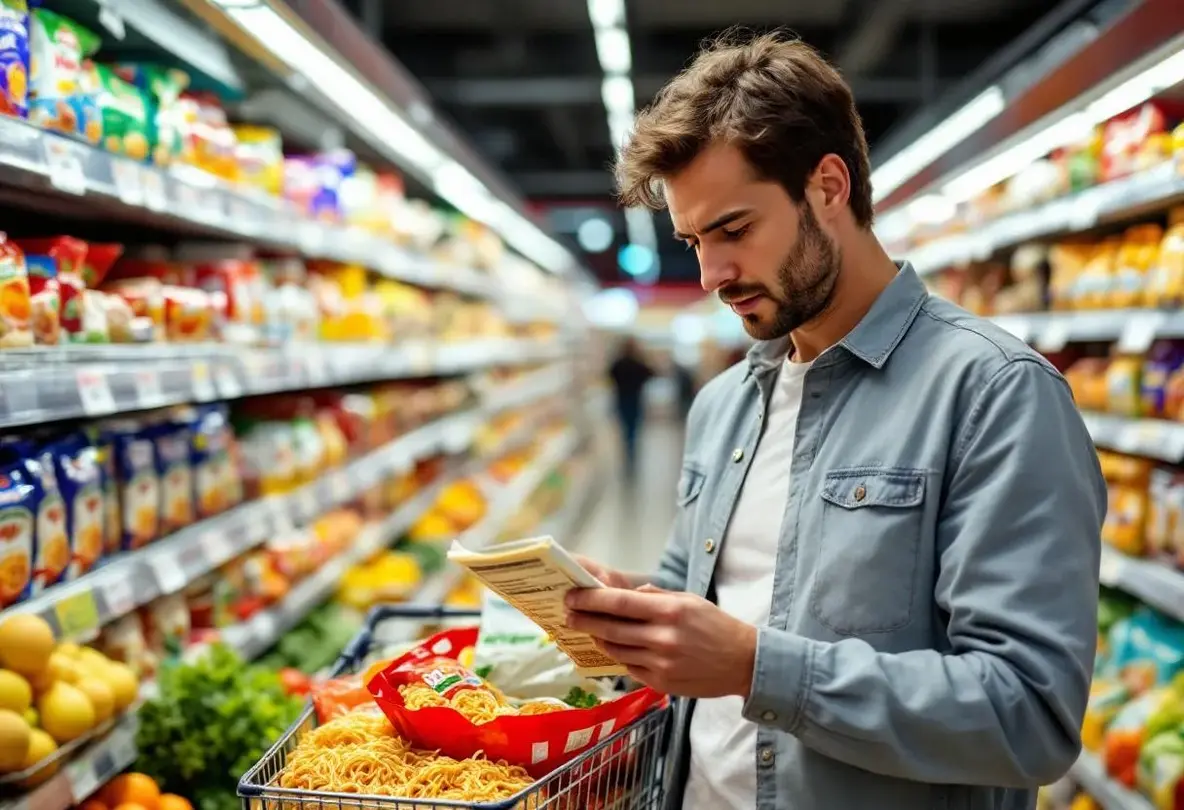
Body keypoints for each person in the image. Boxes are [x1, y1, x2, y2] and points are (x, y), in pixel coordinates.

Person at [566, 30, 1105, 810]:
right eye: (693, 241)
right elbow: (724, 602)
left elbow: (1029, 714)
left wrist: (756, 667)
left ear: (827, 187)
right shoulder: (724, 405)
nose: (711, 275)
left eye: (734, 230)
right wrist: (635, 612)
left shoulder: (995, 395)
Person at [608, 337, 654, 478]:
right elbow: (650, 373)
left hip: (621, 399)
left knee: (625, 429)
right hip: (635, 399)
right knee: (634, 429)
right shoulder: (638, 363)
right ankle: (631, 456)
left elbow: (609, 374)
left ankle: (627, 456)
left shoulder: (618, 363)